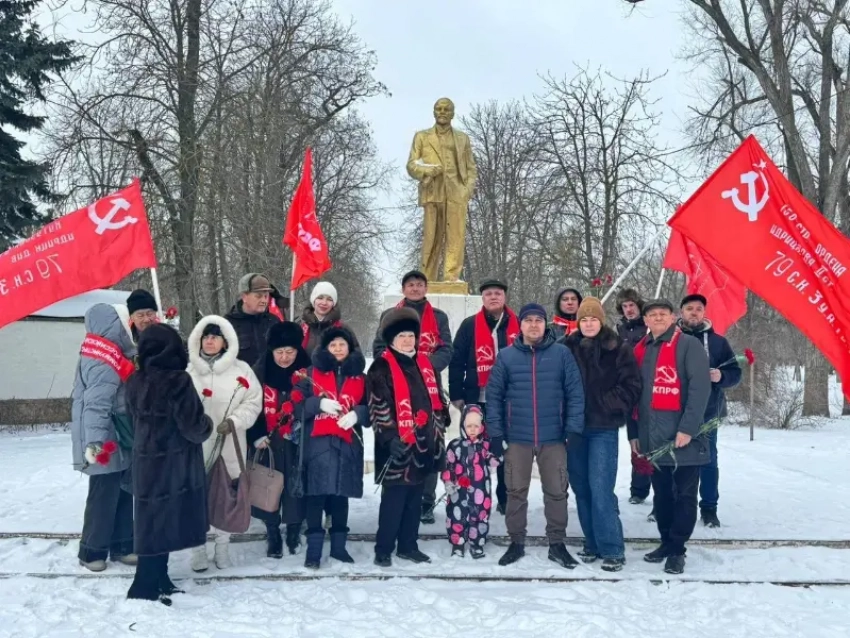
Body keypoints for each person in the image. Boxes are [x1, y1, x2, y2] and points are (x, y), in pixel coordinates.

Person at [486, 303, 585, 569]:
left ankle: (557, 543)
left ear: (545, 324)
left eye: (538, 320)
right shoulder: (506, 356)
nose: (533, 325)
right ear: (520, 325)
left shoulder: (561, 354)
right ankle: (516, 541)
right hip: (517, 436)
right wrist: (495, 432)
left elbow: (575, 393)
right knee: (515, 491)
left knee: (556, 491)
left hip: (553, 437)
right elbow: (493, 397)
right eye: (528, 320)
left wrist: (573, 427)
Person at [125, 324, 212, 605]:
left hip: (146, 461)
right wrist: (208, 422)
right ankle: (145, 584)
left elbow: (131, 419)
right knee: (161, 522)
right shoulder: (178, 381)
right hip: (174, 465)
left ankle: (159, 577)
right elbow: (194, 427)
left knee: (152, 521)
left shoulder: (135, 380)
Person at [627, 299, 711, 575]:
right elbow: (633, 395)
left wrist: (687, 428)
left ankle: (677, 549)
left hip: (683, 438)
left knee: (685, 495)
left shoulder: (688, 345)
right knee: (662, 494)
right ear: (646, 320)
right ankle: (665, 541)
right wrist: (634, 433)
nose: (658, 318)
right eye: (653, 315)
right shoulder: (641, 349)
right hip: (652, 438)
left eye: (663, 314)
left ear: (673, 317)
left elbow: (700, 389)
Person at [563, 298, 642, 572]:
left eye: (593, 319)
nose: (588, 324)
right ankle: (592, 542)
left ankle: (612, 547)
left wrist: (604, 404)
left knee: (600, 488)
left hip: (602, 429)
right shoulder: (567, 348)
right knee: (581, 488)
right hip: (574, 429)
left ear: (601, 321)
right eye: (584, 319)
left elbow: (632, 386)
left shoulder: (618, 348)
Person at [367, 307, 449, 567]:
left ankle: (408, 545)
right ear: (391, 339)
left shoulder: (426, 364)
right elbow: (378, 405)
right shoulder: (381, 367)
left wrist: (442, 417)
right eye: (401, 336)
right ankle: (384, 547)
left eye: (411, 336)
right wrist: (390, 437)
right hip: (398, 446)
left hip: (426, 445)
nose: (407, 340)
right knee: (393, 501)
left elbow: (436, 397)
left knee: (415, 500)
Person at [372, 269, 452, 524]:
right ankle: (394, 498)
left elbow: (446, 349)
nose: (415, 288)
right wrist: (400, 367)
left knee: (429, 442)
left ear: (426, 288)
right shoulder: (389, 315)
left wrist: (423, 366)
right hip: (395, 387)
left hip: (427, 387)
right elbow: (378, 347)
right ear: (403, 288)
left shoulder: (438, 317)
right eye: (411, 285)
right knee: (400, 440)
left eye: (420, 284)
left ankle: (426, 501)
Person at [186, 315, 262, 571]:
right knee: (197, 497)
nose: (209, 341)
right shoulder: (188, 371)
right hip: (197, 446)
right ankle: (197, 549)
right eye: (205, 336)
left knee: (226, 496)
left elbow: (253, 402)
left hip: (230, 443)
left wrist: (234, 420)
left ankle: (222, 546)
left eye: (215, 337)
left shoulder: (242, 370)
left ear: (225, 341)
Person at [71, 303, 138, 572]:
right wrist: (96, 443)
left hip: (117, 436)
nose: (129, 327)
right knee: (103, 494)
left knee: (123, 490)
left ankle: (122, 544)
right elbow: (96, 405)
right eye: (125, 322)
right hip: (105, 441)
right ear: (114, 325)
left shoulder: (112, 354)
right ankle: (91, 551)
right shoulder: (102, 359)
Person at [296, 326, 369, 569]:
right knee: (315, 498)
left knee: (340, 499)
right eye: (333, 345)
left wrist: (358, 414)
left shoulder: (361, 378)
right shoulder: (309, 374)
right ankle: (314, 552)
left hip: (346, 446)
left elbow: (373, 407)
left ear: (350, 348)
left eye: (342, 345)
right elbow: (295, 406)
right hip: (317, 447)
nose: (338, 349)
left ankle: (339, 548)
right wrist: (318, 403)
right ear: (325, 348)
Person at [448, 278, 519, 515]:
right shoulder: (470, 325)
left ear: (505, 297)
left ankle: (506, 499)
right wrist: (457, 394)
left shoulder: (517, 324)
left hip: (509, 400)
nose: (493, 297)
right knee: (475, 450)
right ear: (483, 298)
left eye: (498, 293)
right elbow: (456, 362)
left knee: (505, 450)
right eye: (488, 294)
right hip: (476, 397)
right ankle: (474, 497)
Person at [247, 322, 312, 557]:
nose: (285, 358)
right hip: (268, 440)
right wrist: (255, 435)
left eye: (290, 352)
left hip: (298, 440)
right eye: (279, 352)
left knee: (296, 485)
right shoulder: (259, 371)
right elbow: (250, 406)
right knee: (269, 486)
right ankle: (272, 530)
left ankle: (294, 528)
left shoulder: (308, 371)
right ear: (271, 351)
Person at [678, 294, 742, 528]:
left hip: (707, 413)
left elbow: (735, 372)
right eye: (689, 308)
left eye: (698, 309)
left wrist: (721, 376)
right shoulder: (670, 338)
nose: (694, 312)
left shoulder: (718, 342)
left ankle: (709, 508)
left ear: (704, 313)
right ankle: (671, 505)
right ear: (681, 312)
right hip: (674, 413)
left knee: (707, 461)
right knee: (673, 461)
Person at [405, 97, 478, 283]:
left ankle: (451, 278)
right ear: (434, 112)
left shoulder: (462, 138)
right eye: (439, 108)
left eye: (446, 109)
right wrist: (428, 169)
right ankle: (427, 278)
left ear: (452, 113)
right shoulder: (422, 136)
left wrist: (467, 190)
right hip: (432, 191)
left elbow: (471, 167)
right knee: (431, 237)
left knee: (456, 237)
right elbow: (411, 165)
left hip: (456, 193)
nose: (442, 112)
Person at [442, 405, 500, 559]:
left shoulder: (485, 445)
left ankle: (476, 543)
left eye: (476, 426)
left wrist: (498, 454)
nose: (472, 430)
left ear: (482, 427)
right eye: (469, 426)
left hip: (480, 490)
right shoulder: (455, 445)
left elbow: (494, 458)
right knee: (456, 516)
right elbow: (448, 466)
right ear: (462, 425)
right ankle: (457, 543)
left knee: (479, 516)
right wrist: (449, 482)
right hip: (458, 490)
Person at [615, 288, 653, 507]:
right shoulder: (619, 329)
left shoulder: (650, 327)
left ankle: (660, 488)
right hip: (630, 392)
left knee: (654, 442)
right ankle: (638, 489)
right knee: (636, 442)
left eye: (632, 305)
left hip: (651, 389)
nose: (628, 310)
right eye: (624, 306)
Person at [225, 273, 282, 365]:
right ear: (244, 297)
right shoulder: (227, 324)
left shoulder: (274, 322)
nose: (264, 300)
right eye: (258, 296)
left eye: (266, 296)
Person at [300, 281, 360, 355]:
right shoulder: (300, 327)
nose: (324, 302)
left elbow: (357, 357)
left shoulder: (343, 328)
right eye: (320, 298)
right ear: (313, 300)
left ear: (333, 303)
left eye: (329, 299)